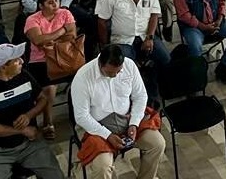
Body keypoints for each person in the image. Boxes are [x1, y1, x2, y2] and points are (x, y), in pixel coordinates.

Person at [71, 45, 166, 179]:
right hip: (97, 128)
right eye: (110, 73)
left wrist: (134, 123)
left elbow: (140, 96)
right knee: (102, 167)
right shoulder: (83, 77)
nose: (115, 75)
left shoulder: (129, 65)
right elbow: (82, 116)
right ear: (100, 64)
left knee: (157, 144)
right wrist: (107, 135)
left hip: (127, 120)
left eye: (118, 71)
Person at [0, 43, 64, 178]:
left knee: (55, 175)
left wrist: (29, 115)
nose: (21, 61)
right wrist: (21, 130)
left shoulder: (24, 76)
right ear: (3, 67)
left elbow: (43, 99)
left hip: (29, 145)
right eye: (16, 60)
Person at [96, 0, 170, 69]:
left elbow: (154, 15)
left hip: (145, 35)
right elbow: (101, 20)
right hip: (123, 40)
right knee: (127, 67)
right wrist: (104, 45)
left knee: (166, 60)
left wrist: (149, 37)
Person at [24, 0, 76, 139]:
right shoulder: (32, 19)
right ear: (41, 6)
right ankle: (48, 122)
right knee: (49, 87)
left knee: (81, 79)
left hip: (65, 57)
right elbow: (38, 40)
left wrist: (50, 39)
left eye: (56, 0)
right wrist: (62, 30)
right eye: (50, 2)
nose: (55, 4)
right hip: (41, 60)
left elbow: (72, 35)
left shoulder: (65, 13)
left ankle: (77, 117)